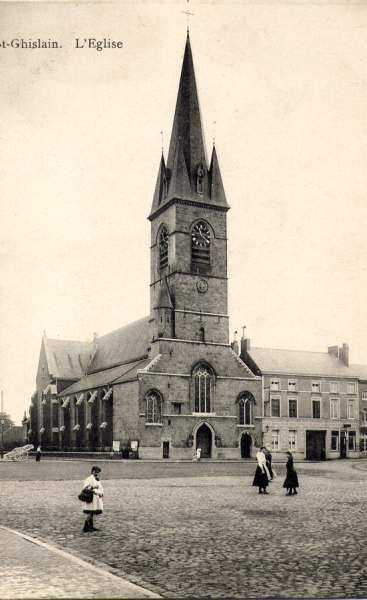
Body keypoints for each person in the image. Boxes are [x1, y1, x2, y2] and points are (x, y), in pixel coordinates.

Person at [82, 466, 104, 532]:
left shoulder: (96, 479)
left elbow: (100, 487)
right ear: (93, 471)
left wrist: (100, 493)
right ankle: (85, 527)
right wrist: (93, 488)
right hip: (90, 498)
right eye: (96, 472)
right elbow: (85, 488)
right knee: (89, 512)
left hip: (95, 498)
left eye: (98, 472)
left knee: (92, 512)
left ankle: (90, 526)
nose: (97, 473)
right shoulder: (89, 479)